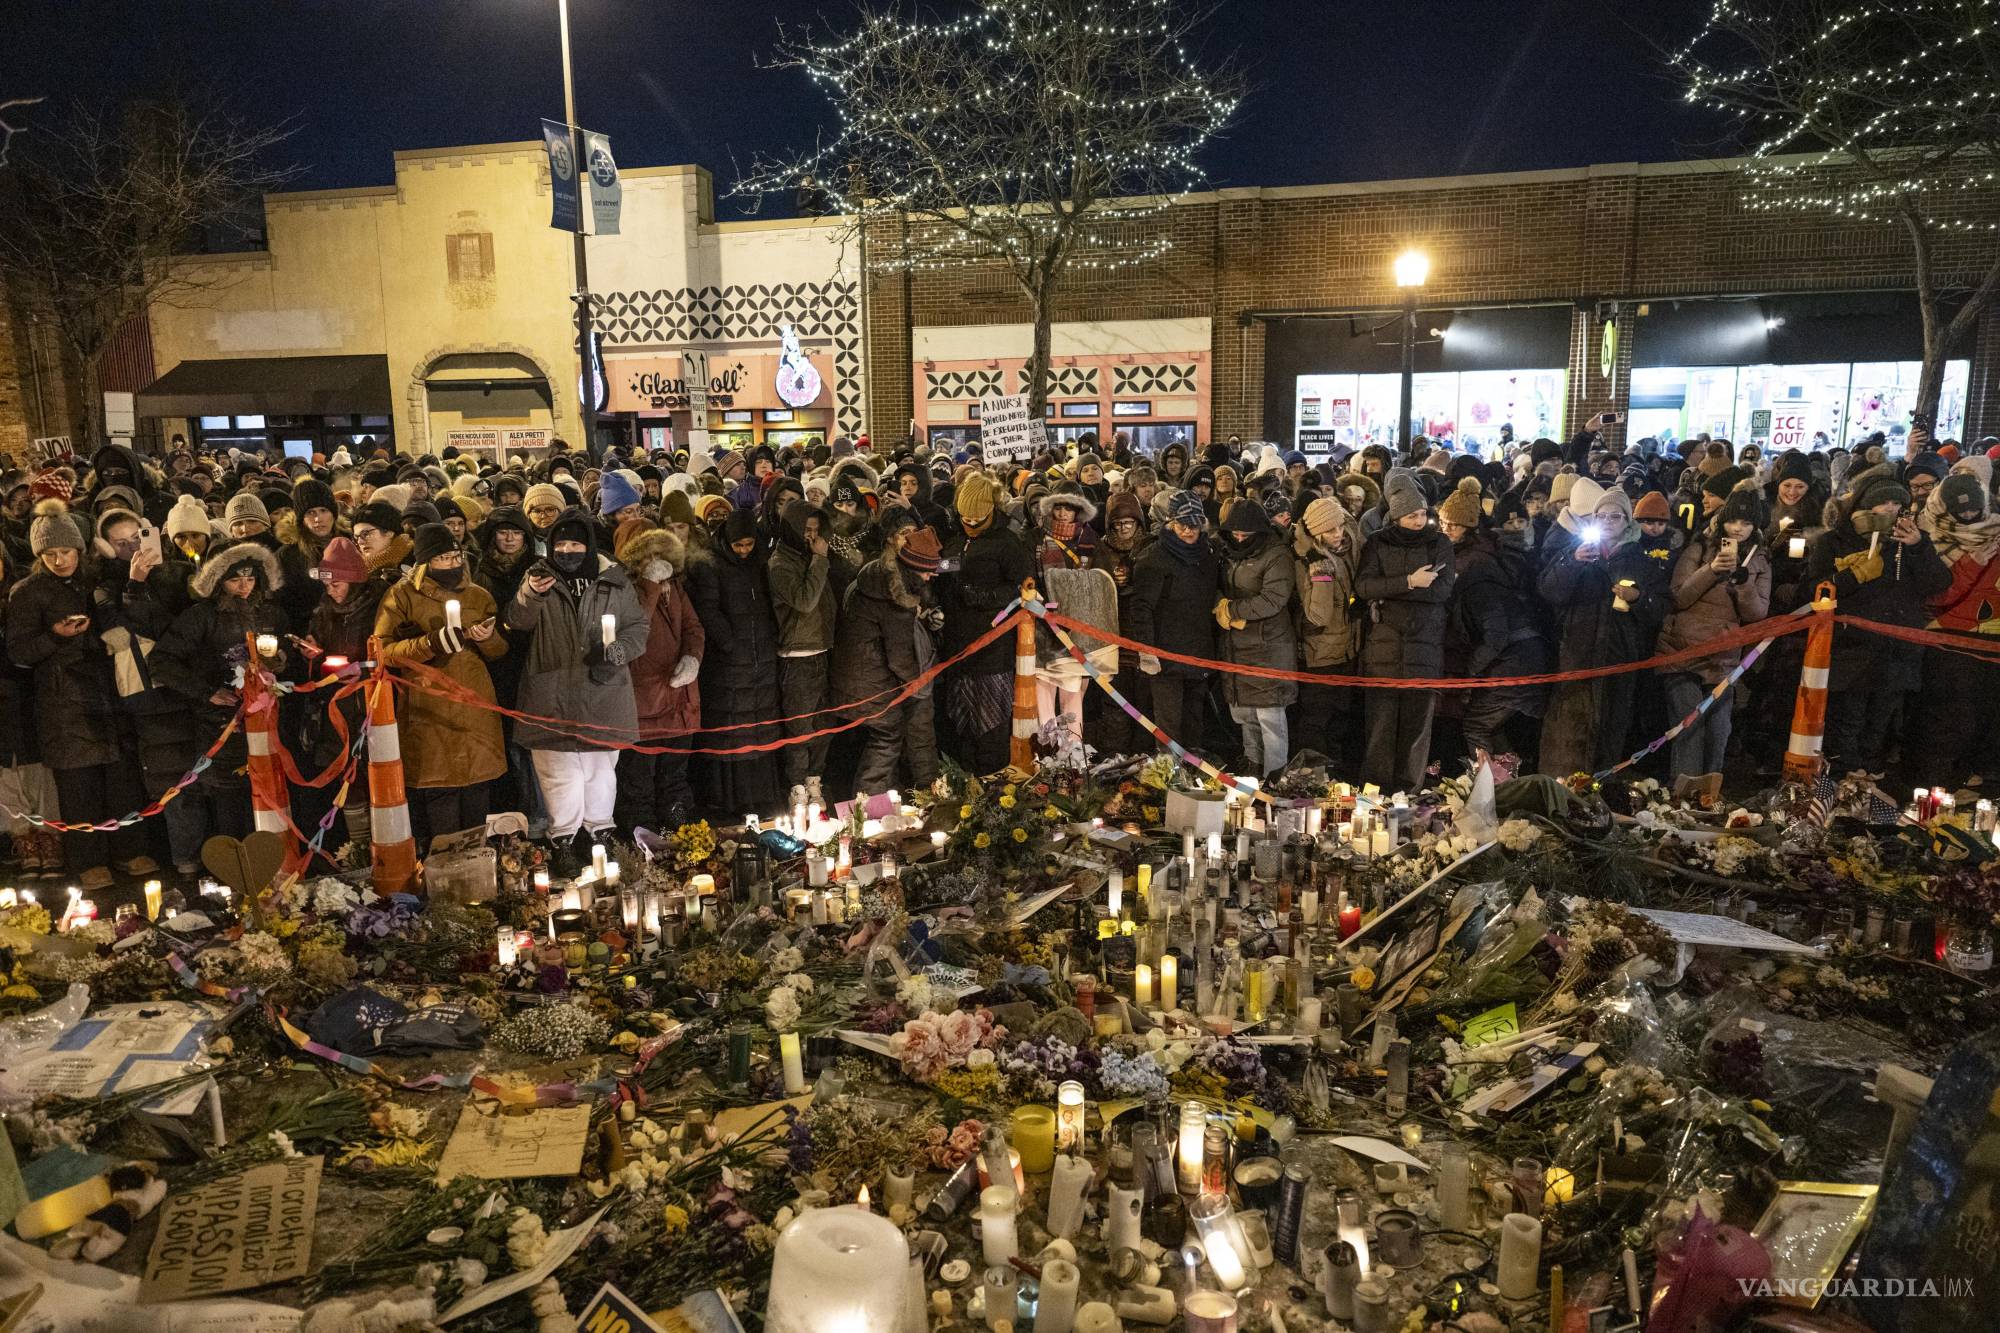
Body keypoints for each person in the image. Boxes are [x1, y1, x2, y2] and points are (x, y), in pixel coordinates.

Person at [8, 508, 154, 888]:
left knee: (121, 779)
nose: (59, 560)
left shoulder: (94, 581)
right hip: (63, 702)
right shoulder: (27, 593)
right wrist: (57, 635)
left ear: (78, 549)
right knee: (79, 787)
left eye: (66, 552)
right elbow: (20, 652)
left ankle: (129, 850)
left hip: (107, 693)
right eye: (49, 554)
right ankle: (89, 860)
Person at [506, 509, 647, 867]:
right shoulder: (538, 576)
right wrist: (531, 594)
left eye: (575, 543)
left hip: (603, 688)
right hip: (551, 691)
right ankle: (563, 839)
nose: (568, 550)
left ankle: (601, 831)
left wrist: (617, 651)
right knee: (559, 774)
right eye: (561, 543)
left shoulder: (613, 579)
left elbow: (637, 628)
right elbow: (517, 621)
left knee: (601, 770)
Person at [150, 542, 291, 861]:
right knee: (230, 795)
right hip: (221, 723)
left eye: (251, 580)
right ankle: (237, 866)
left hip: (267, 719)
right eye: (235, 580)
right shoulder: (201, 616)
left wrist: (280, 659)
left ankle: (272, 861)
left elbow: (286, 649)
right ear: (218, 581)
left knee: (270, 788)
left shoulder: (269, 613)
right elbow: (162, 661)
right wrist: (206, 691)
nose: (244, 587)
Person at [1807, 466, 1950, 779]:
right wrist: (1853, 576)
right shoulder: (1835, 542)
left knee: (1880, 720)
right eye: (1885, 503)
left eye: (1898, 505)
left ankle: (1871, 775)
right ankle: (1845, 776)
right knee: (1849, 718)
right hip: (1853, 647)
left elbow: (1937, 582)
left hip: (1897, 650)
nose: (1893, 510)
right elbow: (1813, 590)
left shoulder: (1909, 542)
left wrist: (1919, 548)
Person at [374, 523, 509, 847]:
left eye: (455, 556)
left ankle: (479, 871)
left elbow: (500, 651)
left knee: (477, 790)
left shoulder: (478, 595)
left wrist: (488, 638)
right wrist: (430, 643)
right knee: (442, 798)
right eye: (442, 558)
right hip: (430, 706)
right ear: (425, 562)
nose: (451, 564)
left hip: (474, 704)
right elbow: (383, 649)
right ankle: (447, 878)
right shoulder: (401, 596)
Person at [1538, 478, 1667, 777]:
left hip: (1618, 657)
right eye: (1601, 516)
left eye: (1615, 516)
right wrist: (1572, 562)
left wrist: (1638, 599)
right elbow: (1548, 590)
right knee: (1569, 731)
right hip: (1577, 653)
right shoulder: (1577, 551)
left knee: (1610, 730)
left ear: (1626, 521)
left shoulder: (1639, 560)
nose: (1608, 522)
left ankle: (1600, 795)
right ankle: (1561, 792)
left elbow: (1660, 606)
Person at [1657, 488, 1771, 781]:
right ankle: (1681, 795)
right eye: (1733, 521)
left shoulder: (1759, 561)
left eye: (1746, 523)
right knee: (1689, 728)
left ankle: (1708, 797)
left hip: (1723, 656)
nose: (1738, 529)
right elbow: (1679, 596)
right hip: (1683, 650)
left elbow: (1756, 615)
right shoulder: (1699, 547)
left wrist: (1744, 584)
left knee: (1719, 730)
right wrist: (1711, 569)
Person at [1437, 478, 1548, 767]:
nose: (1446, 530)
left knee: (1476, 725)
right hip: (1524, 658)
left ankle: (1488, 789)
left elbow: (1495, 633)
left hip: (1515, 662)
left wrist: (1469, 674)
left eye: (1454, 525)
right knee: (1493, 724)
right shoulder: (1481, 565)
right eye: (1443, 523)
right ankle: (1506, 778)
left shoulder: (1478, 577)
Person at [1356, 471, 1456, 790]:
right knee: (1379, 730)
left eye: (1423, 514)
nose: (1419, 520)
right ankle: (1374, 793)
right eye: (1412, 515)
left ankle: (1408, 793)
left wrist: (1391, 591)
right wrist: (1410, 581)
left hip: (1424, 648)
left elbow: (1442, 590)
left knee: (1416, 732)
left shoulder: (1439, 543)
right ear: (1397, 516)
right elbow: (1365, 586)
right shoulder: (1377, 543)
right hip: (1383, 650)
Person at [685, 509, 784, 816]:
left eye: (749, 545)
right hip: (727, 662)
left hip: (761, 658)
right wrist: (729, 643)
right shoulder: (711, 566)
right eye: (739, 545)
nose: (744, 551)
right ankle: (728, 799)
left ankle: (760, 796)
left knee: (758, 727)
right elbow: (708, 610)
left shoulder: (760, 564)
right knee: (731, 729)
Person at [834, 525, 944, 793]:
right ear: (914, 567)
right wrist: (917, 682)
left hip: (854, 677)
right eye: (928, 571)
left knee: (885, 734)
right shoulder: (895, 597)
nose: (931, 577)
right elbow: (900, 654)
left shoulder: (876, 577)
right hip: (871, 682)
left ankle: (886, 794)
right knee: (888, 735)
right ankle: (869, 803)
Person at [613, 524, 704, 834]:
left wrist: (693, 658)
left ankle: (679, 823)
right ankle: (642, 831)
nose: (656, 561)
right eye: (648, 554)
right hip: (642, 700)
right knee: (638, 777)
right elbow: (633, 630)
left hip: (679, 697)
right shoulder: (621, 589)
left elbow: (693, 628)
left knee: (674, 771)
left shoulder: (676, 587)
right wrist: (651, 587)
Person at [941, 472, 1035, 773]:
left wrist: (981, 595)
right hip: (957, 646)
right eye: (964, 519)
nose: (970, 525)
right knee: (960, 722)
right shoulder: (955, 538)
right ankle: (963, 780)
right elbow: (948, 565)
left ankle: (992, 783)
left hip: (993, 649)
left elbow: (1023, 588)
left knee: (990, 722)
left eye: (976, 521)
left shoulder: (1006, 543)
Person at [303, 537, 385, 857]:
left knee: (376, 777)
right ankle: (358, 850)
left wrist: (362, 670)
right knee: (348, 783)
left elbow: (385, 652)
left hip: (370, 706)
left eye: (336, 583)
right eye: (326, 584)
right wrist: (310, 652)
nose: (331, 590)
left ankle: (383, 845)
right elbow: (316, 660)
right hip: (337, 711)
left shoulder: (377, 607)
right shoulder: (324, 612)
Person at [1920, 464, 2000, 787]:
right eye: (1961, 511)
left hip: (1990, 639)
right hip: (1947, 638)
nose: (1968, 517)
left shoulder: (1994, 531)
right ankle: (1934, 783)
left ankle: (1976, 776)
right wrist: (1972, 563)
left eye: (1974, 510)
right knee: (1948, 715)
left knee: (1985, 714)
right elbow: (1934, 593)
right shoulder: (1930, 535)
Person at [1128, 491, 1219, 748]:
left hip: (1198, 651)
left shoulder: (1208, 554)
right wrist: (1147, 650)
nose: (1190, 532)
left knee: (1194, 719)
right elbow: (1141, 607)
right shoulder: (1154, 558)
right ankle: (1169, 774)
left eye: (1195, 525)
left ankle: (1194, 771)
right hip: (1165, 656)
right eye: (1183, 525)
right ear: (1170, 522)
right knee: (1168, 723)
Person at [1215, 499, 1298, 776]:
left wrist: (1233, 610)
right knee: (1246, 714)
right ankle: (1253, 765)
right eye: (1235, 535)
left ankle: (1275, 774)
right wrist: (1220, 605)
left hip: (1268, 646)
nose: (1239, 540)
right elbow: (1218, 588)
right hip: (1236, 645)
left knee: (1270, 717)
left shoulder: (1276, 555)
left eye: (1245, 536)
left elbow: (1273, 599)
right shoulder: (1227, 553)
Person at [766, 500, 836, 808]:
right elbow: (805, 601)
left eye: (817, 531)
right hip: (797, 656)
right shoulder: (780, 564)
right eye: (806, 530)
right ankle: (797, 787)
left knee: (822, 726)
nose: (812, 537)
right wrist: (820, 560)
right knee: (800, 729)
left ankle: (814, 781)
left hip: (821, 650)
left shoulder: (809, 556)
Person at [1291, 496, 1363, 767]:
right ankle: (1314, 774)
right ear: (1316, 531)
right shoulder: (1311, 561)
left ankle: (1335, 773)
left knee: (1340, 718)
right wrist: (1321, 575)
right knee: (1316, 720)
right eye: (1330, 529)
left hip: (1346, 649)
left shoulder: (1345, 551)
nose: (1338, 533)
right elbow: (1318, 614)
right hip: (1320, 654)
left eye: (1339, 526)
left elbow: (1354, 527)